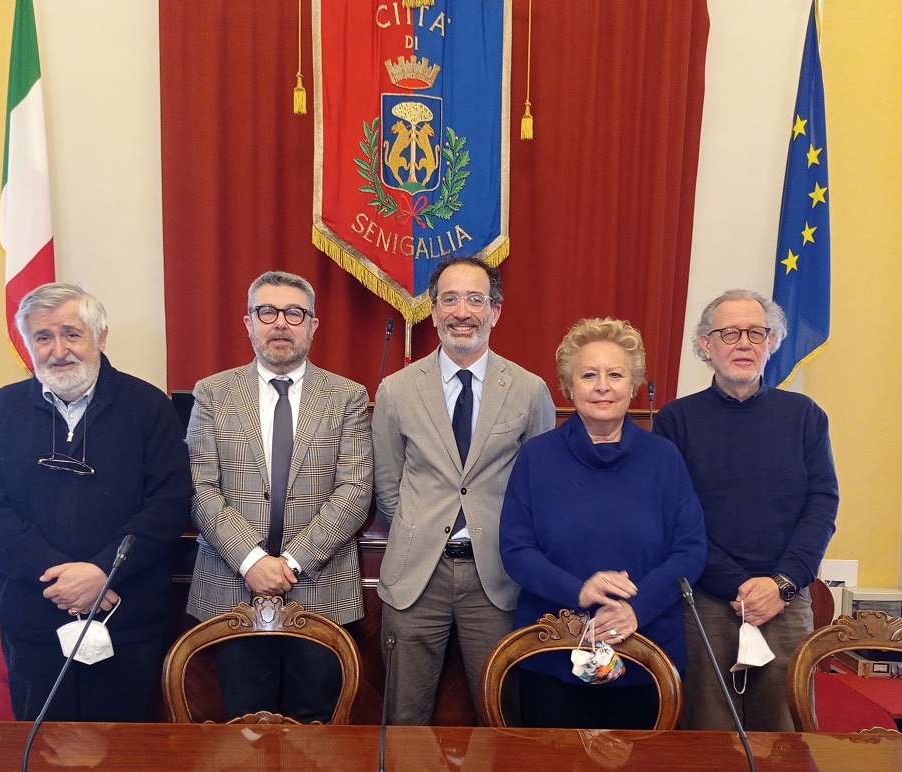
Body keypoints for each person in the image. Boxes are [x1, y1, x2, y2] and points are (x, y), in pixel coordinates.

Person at [0, 282, 191, 722]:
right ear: (28, 344)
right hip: (32, 617)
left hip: (125, 617)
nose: (58, 349)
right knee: (42, 750)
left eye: (71, 334)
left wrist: (102, 572)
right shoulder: (3, 409)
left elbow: (168, 504)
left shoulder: (148, 407)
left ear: (100, 336)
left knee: (124, 755)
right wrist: (59, 577)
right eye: (42, 337)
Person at [373, 256, 555, 724]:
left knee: (501, 715)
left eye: (475, 299)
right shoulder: (395, 391)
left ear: (495, 311)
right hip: (417, 576)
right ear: (432, 311)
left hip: (496, 576)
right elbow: (389, 486)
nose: (462, 311)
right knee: (403, 718)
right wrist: (424, 529)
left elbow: (539, 487)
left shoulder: (529, 390)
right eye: (449, 299)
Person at [499, 317, 707, 728]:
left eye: (615, 374)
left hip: (648, 650)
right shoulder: (536, 458)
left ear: (633, 386)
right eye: (589, 374)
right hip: (552, 652)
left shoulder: (663, 458)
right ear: (568, 386)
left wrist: (637, 609)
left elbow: (691, 549)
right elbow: (516, 550)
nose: (602, 385)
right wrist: (580, 590)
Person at [186, 271, 372, 723]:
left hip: (320, 588)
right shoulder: (212, 393)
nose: (280, 324)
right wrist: (252, 562)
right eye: (267, 312)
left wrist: (287, 565)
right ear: (248, 322)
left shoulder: (348, 396)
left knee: (318, 727)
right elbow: (200, 488)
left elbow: (355, 490)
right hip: (233, 589)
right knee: (243, 726)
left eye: (295, 313)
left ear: (313, 325)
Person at [653, 288, 839, 731]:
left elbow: (823, 504)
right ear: (705, 344)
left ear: (772, 342)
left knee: (784, 734)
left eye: (757, 332)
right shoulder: (675, 420)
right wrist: (738, 585)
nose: (744, 343)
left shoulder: (805, 416)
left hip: (785, 599)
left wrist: (781, 584)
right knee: (707, 733)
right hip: (707, 601)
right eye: (730, 332)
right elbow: (672, 514)